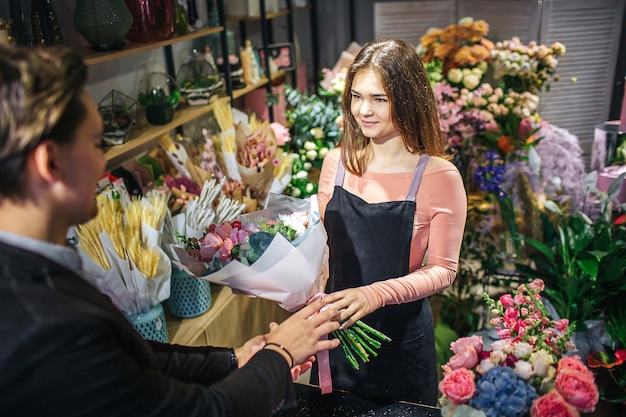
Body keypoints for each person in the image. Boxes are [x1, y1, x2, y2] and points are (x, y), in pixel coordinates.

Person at [0, 45, 340, 417]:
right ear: (50, 163)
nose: (103, 162)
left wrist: (236, 358)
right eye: (96, 144)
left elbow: (133, 361)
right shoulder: (41, 321)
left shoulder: (33, 271)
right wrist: (281, 354)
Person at [314, 39, 467, 405]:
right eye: (356, 96)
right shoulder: (335, 164)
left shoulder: (438, 176)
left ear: (408, 99)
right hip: (339, 340)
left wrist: (374, 294)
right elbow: (321, 250)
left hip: (402, 347)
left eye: (379, 99)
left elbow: (443, 269)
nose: (363, 110)